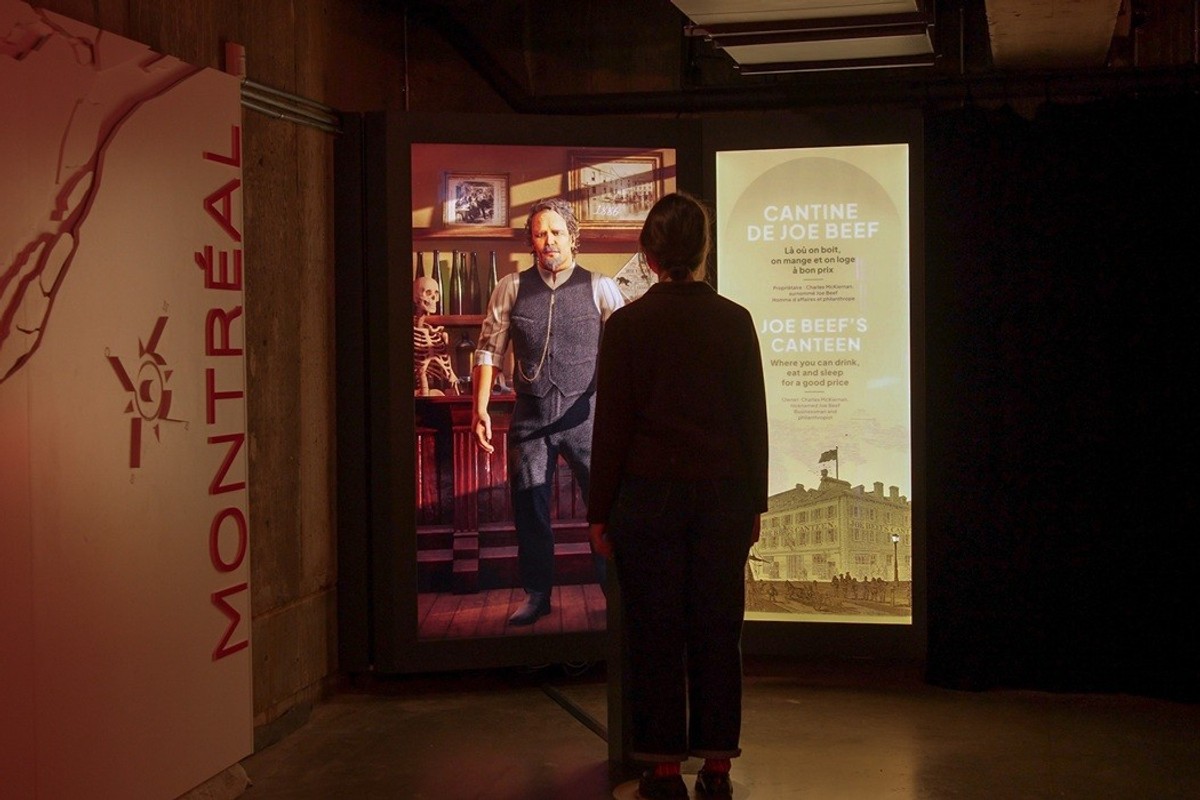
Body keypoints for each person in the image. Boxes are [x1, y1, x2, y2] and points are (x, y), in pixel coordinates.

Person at [587, 192, 768, 799]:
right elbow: (753, 422)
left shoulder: (629, 325)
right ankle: (717, 767)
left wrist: (598, 512)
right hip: (722, 497)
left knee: (655, 631)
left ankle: (663, 768)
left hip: (647, 499)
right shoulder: (735, 320)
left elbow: (610, 427)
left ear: (648, 253)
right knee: (719, 630)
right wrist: (756, 506)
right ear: (703, 249)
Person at [472, 197, 624, 625]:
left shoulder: (601, 287)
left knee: (605, 509)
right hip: (530, 420)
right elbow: (487, 350)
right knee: (529, 508)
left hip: (587, 419)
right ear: (531, 242)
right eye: (540, 234)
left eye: (557, 232)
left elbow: (627, 355)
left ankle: (615, 595)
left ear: (573, 238)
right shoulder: (511, 287)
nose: (549, 241)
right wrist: (480, 407)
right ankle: (537, 594)